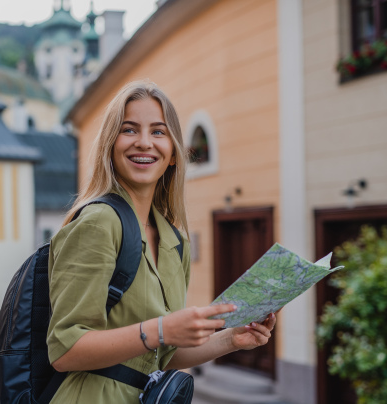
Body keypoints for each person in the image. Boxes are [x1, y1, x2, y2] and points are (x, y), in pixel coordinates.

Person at [46, 80, 276, 403]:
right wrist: (161, 329)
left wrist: (231, 340)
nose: (144, 143)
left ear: (172, 154)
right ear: (110, 146)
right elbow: (64, 349)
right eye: (129, 130)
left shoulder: (174, 240)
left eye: (158, 132)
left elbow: (162, 355)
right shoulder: (98, 223)